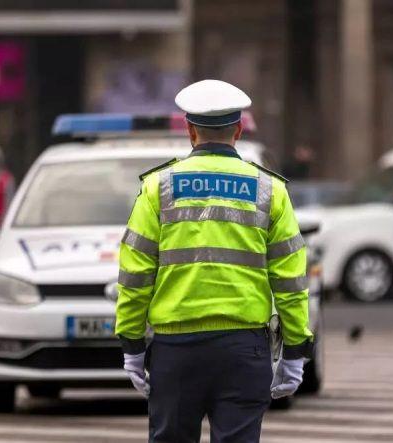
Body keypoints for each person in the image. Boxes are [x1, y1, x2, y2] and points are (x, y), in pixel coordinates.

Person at [115, 79, 313, 442]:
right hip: (244, 350)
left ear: (190, 131)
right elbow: (291, 281)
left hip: (176, 351)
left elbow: (135, 273)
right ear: (238, 130)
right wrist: (296, 349)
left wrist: (131, 343)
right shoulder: (270, 190)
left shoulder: (158, 187)